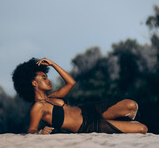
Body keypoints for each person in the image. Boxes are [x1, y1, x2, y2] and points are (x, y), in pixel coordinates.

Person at [12, 57, 148, 135]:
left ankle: (123, 122)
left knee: (131, 104)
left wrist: (53, 64)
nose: (48, 80)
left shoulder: (53, 96)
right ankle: (124, 124)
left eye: (47, 77)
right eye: (44, 77)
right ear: (34, 83)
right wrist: (41, 132)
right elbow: (31, 130)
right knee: (142, 129)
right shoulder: (38, 107)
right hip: (86, 126)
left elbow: (71, 82)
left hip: (90, 110)